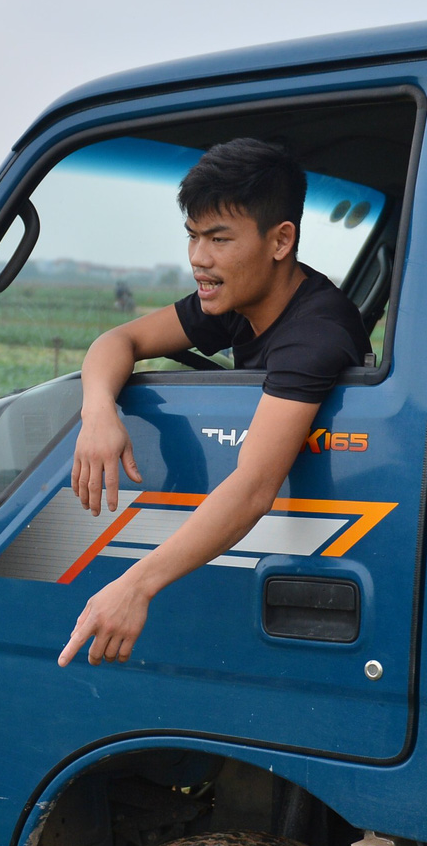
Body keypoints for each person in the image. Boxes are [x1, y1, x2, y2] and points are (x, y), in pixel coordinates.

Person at [58, 138, 373, 667]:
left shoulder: (314, 334)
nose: (199, 259)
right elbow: (118, 342)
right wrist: (98, 412)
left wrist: (136, 585)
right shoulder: (238, 299)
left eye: (219, 239)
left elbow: (253, 487)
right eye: (193, 236)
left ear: (280, 241)